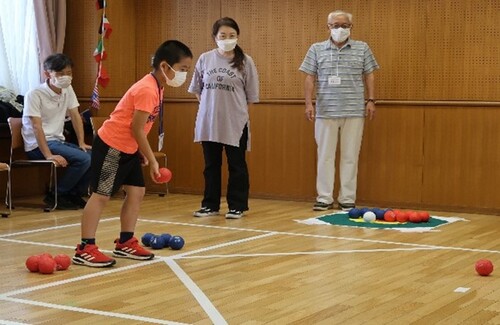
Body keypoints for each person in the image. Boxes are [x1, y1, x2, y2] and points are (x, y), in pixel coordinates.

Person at [73, 40, 193, 267]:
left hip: (128, 148)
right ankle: (85, 247)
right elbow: (136, 128)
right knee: (101, 195)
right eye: (183, 69)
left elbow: (141, 127)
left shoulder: (158, 86)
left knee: (137, 192)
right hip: (112, 145)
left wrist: (140, 151)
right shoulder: (147, 89)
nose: (184, 75)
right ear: (166, 66)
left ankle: (125, 241)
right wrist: (152, 160)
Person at [299, 10, 379, 211]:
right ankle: (324, 198)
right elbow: (309, 77)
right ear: (328, 27)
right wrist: (309, 103)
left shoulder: (362, 48)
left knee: (350, 155)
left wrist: (371, 100)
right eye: (335, 25)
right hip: (325, 111)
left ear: (351, 27)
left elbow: (369, 74)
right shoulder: (316, 49)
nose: (340, 29)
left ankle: (347, 198)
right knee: (325, 155)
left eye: (344, 25)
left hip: (353, 110)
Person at [188, 17, 259, 219]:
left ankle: (237, 206)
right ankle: (210, 205)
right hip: (209, 121)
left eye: (232, 35)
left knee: (237, 165)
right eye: (223, 35)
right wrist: (208, 107)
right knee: (211, 165)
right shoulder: (205, 58)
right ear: (215, 37)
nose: (227, 39)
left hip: (235, 122)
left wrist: (238, 115)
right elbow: (197, 89)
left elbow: (251, 96)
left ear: (237, 37)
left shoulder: (246, 61)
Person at [22, 53, 92, 210]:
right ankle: (57, 194)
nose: (66, 77)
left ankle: (74, 195)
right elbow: (36, 127)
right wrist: (48, 155)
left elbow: (75, 115)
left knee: (93, 157)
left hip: (58, 142)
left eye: (69, 73)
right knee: (83, 159)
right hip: (38, 146)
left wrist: (81, 142)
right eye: (60, 74)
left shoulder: (68, 89)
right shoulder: (34, 94)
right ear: (47, 73)